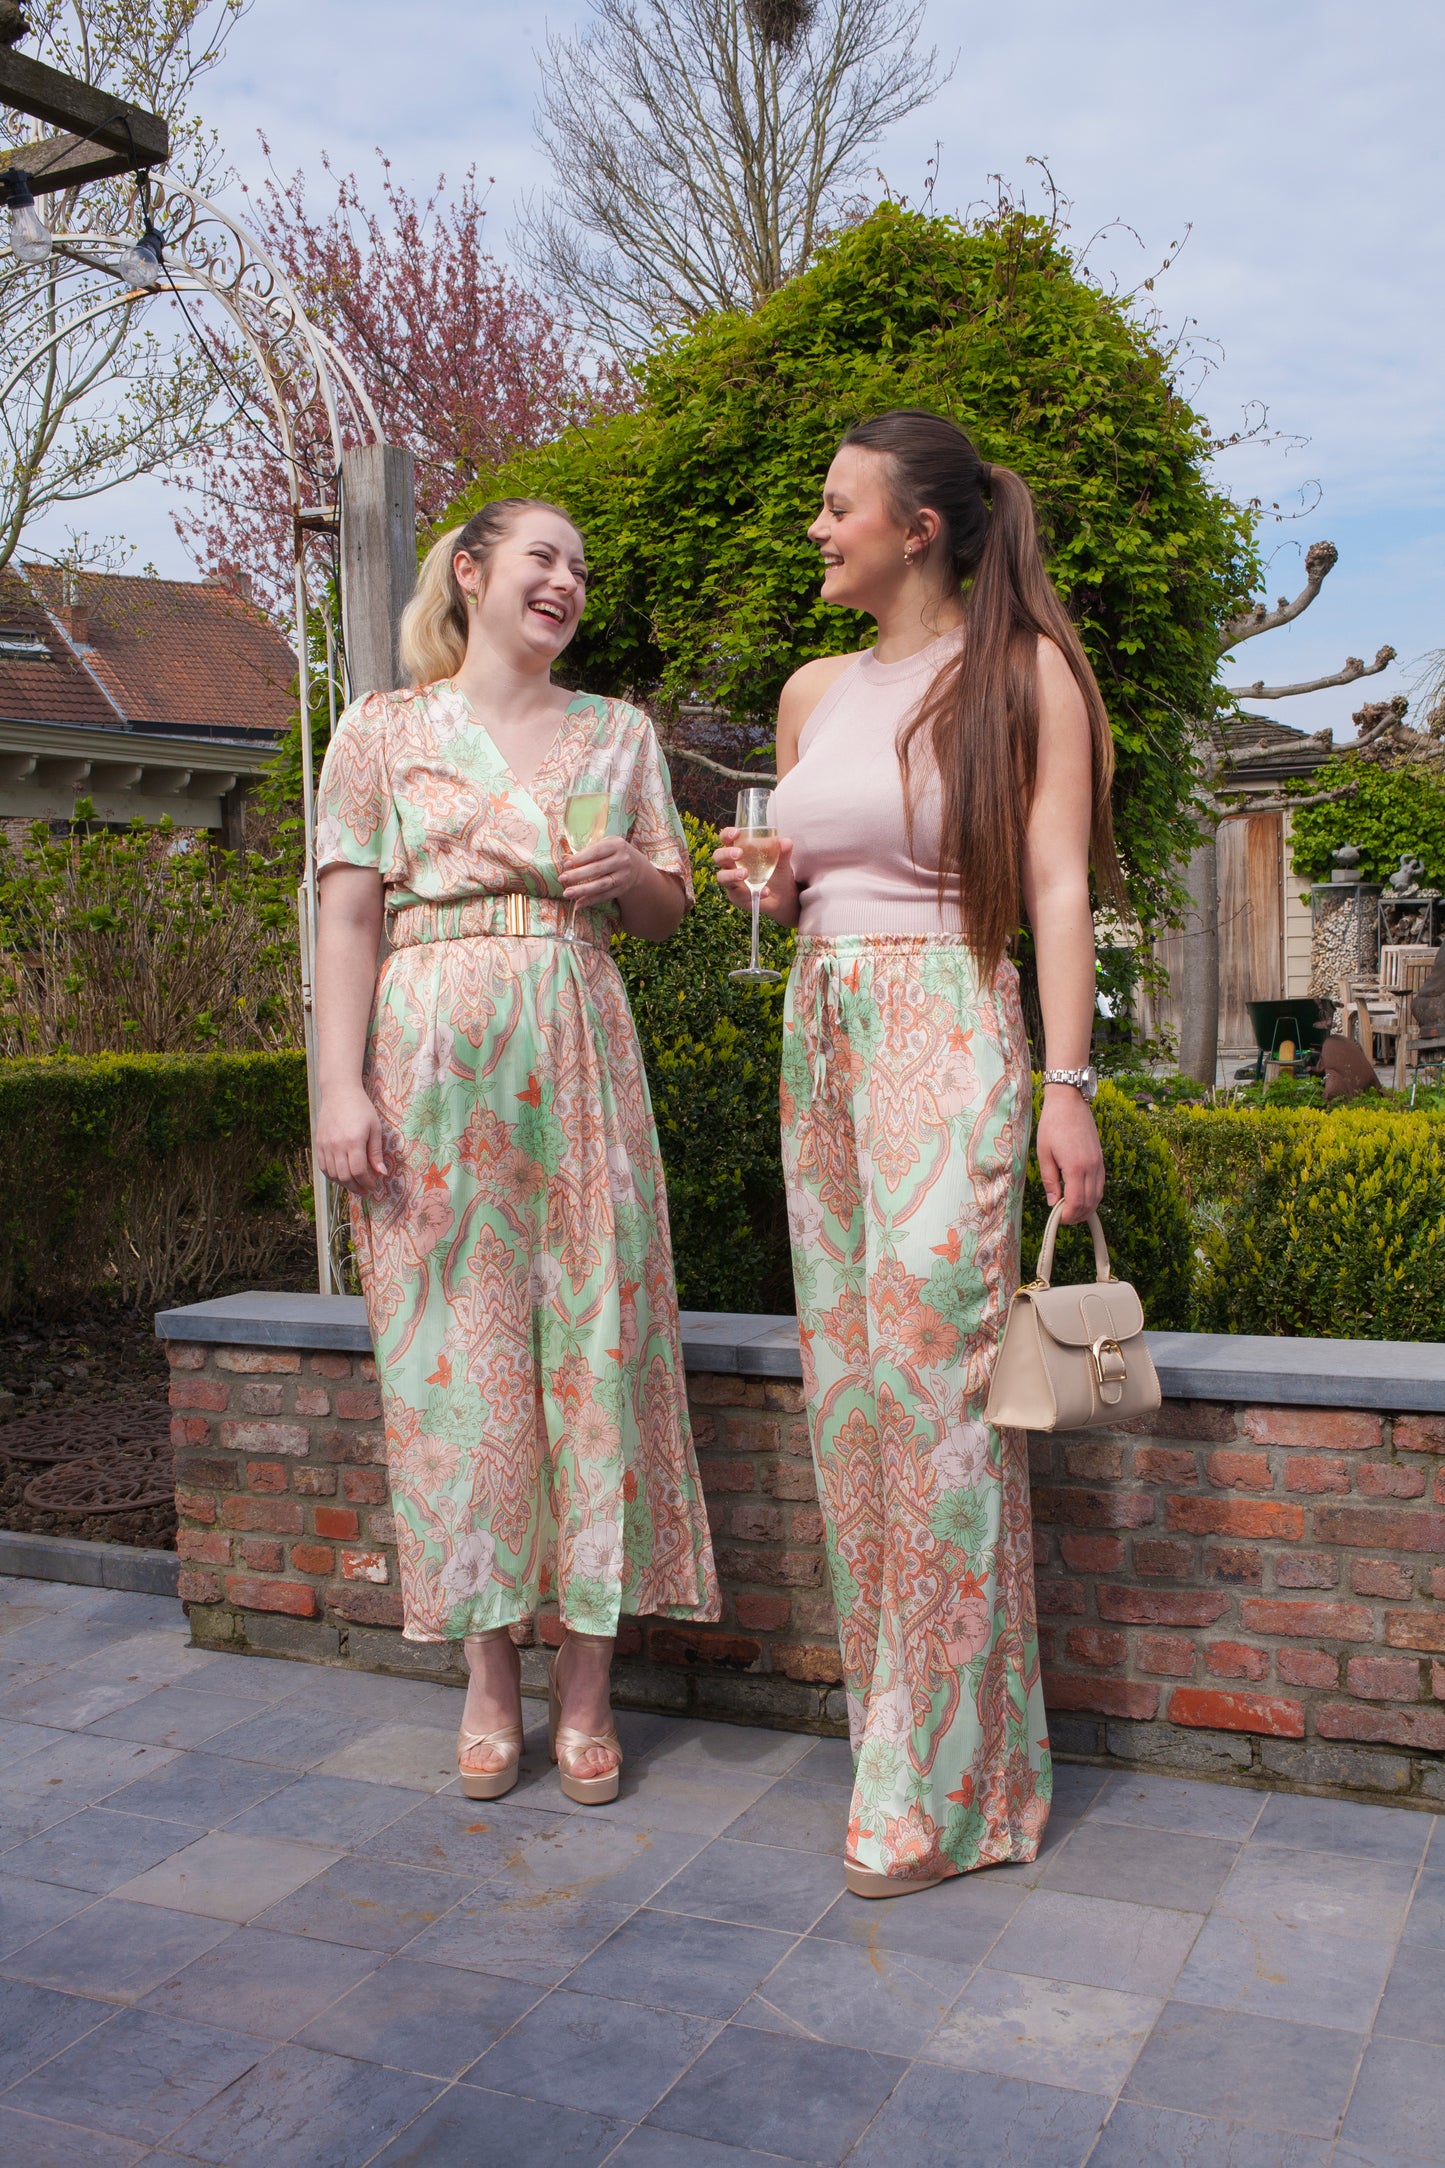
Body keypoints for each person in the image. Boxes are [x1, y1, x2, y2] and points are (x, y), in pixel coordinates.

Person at [715, 410, 1119, 1897]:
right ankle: (912, 1733)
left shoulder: (1022, 676)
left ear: (916, 530)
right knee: (854, 1401)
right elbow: (820, 872)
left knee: (940, 1394)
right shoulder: (810, 689)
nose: (817, 531)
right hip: (819, 1035)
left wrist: (1064, 1089)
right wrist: (772, 876)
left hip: (948, 1029)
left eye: (837, 509)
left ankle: (941, 1790)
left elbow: (1059, 887)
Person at [313, 497, 719, 1807]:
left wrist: (630, 877)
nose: (567, 581)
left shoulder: (620, 734)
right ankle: (488, 1681)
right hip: (427, 1080)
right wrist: (337, 1086)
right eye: (543, 557)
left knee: (597, 1360)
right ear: (472, 572)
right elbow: (348, 919)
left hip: (582, 1063)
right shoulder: (381, 730)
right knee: (456, 1378)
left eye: (581, 566)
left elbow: (666, 909)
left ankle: (587, 1693)